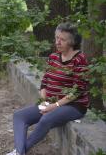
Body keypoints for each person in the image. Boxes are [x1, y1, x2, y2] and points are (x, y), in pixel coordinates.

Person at [7, 22, 90, 155]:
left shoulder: (79, 59)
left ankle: (18, 152)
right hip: (51, 103)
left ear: (72, 41)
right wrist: (44, 101)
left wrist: (55, 105)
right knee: (19, 116)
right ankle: (19, 152)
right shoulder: (53, 57)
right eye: (56, 38)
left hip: (74, 106)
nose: (57, 42)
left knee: (46, 119)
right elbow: (45, 82)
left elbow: (78, 90)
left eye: (62, 39)